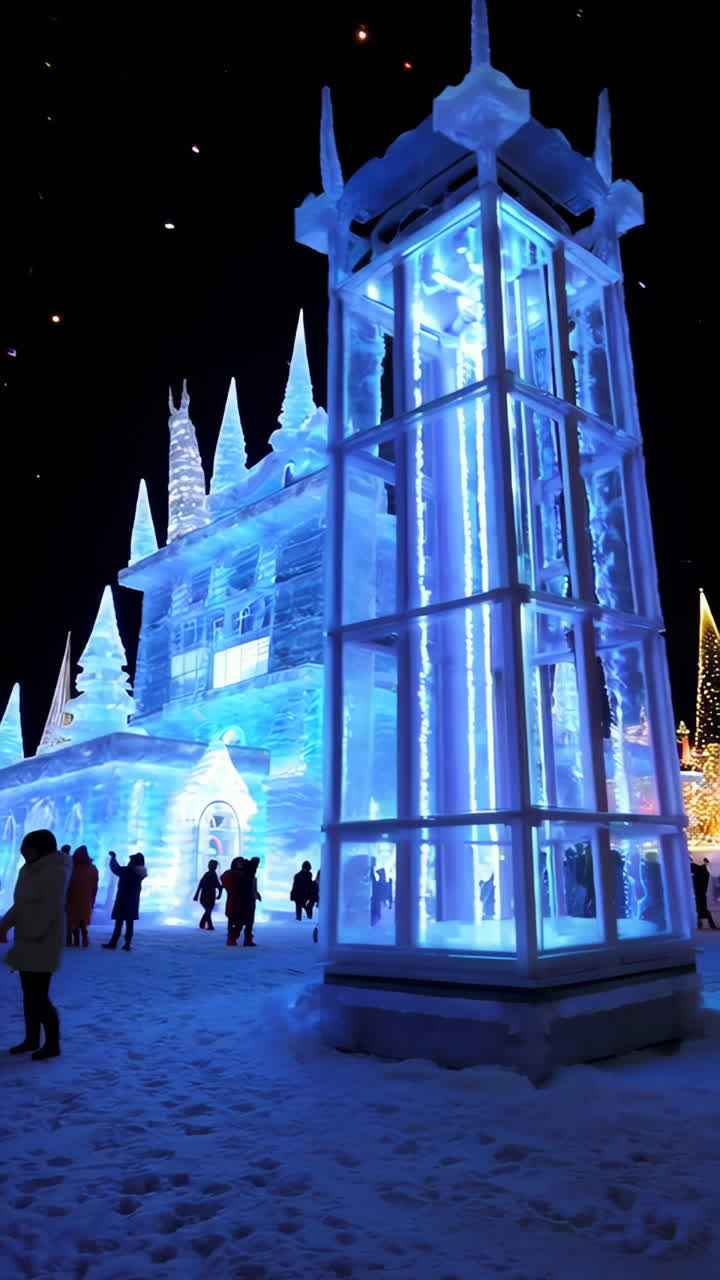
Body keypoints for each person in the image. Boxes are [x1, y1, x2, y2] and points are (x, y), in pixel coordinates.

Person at [0, 829, 72, 1060]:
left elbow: (50, 908)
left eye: (26, 849)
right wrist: (5, 924)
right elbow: (21, 904)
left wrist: (32, 933)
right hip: (28, 940)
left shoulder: (54, 871)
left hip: (43, 941)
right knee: (29, 995)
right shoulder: (31, 868)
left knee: (39, 996)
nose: (23, 854)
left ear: (40, 847)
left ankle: (52, 1044)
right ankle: (31, 1039)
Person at [102, 851, 147, 951]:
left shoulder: (128, 871)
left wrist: (113, 858)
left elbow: (115, 869)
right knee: (129, 923)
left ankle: (113, 943)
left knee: (119, 923)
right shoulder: (140, 873)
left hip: (123, 899)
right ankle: (127, 943)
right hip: (133, 901)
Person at [65, 845, 99, 948]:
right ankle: (84, 940)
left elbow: (67, 883)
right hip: (86, 899)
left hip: (72, 898)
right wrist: (93, 899)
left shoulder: (71, 868)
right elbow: (95, 885)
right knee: (83, 920)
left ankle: (72, 941)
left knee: (72, 920)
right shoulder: (93, 869)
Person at [221, 857, 246, 946]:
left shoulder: (246, 874)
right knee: (231, 919)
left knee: (241, 920)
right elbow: (224, 880)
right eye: (238, 863)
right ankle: (231, 937)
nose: (240, 864)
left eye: (241, 863)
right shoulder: (229, 873)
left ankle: (234, 936)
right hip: (233, 900)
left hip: (243, 901)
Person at [194, 858, 223, 930]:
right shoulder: (209, 874)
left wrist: (220, 894)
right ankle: (206, 925)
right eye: (211, 865)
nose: (212, 866)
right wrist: (196, 895)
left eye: (214, 865)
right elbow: (201, 885)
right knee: (208, 910)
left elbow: (219, 886)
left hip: (209, 895)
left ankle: (206, 925)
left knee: (208, 910)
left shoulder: (210, 874)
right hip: (207, 895)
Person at [691, 857, 718, 930]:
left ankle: (700, 924)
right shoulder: (705, 870)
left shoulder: (696, 870)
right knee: (701, 907)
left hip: (698, 891)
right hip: (701, 891)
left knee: (699, 907)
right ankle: (707, 924)